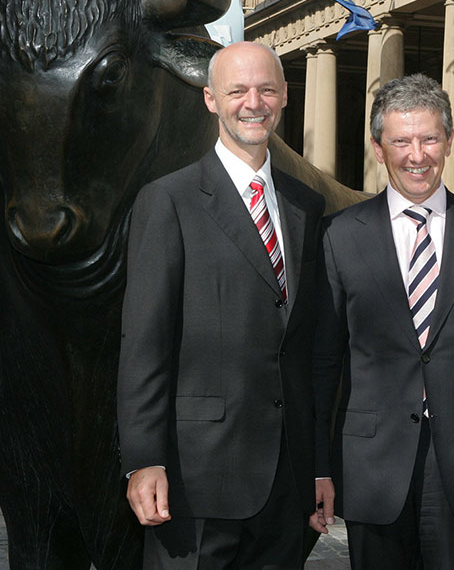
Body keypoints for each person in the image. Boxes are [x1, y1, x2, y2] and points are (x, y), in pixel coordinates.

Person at [311, 73, 454, 570]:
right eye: (401, 141)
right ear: (379, 148)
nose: (417, 155)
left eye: (430, 138)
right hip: (372, 466)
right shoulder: (339, 235)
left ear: (449, 141)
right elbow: (324, 362)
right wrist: (317, 468)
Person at [117, 41, 325, 569]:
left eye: (266, 90)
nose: (253, 103)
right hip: (196, 482)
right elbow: (144, 344)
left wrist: (320, 464)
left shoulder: (306, 206)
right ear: (211, 99)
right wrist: (143, 460)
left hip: (286, 483)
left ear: (284, 97)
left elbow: (308, 349)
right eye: (237, 91)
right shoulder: (168, 201)